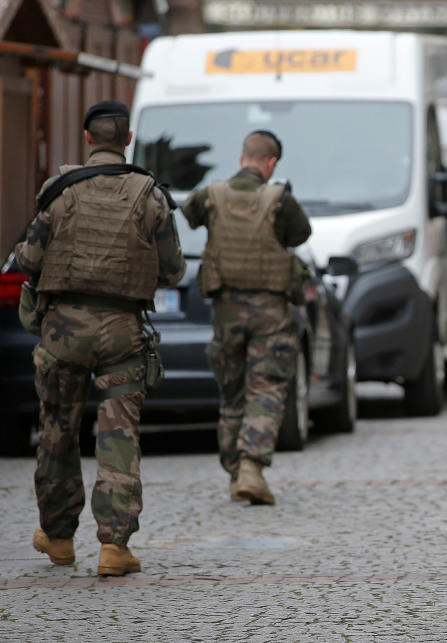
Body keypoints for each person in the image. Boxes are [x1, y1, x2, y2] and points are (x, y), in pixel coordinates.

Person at [16, 100, 185, 576]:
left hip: (62, 329)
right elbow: (173, 270)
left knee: (57, 431)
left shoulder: (59, 190)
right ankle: (114, 547)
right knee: (118, 435)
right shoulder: (150, 194)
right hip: (122, 332)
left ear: (88, 139)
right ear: (127, 139)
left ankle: (58, 536)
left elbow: (28, 259)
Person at [182, 130, 311, 505]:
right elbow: (300, 234)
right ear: (270, 164)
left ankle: (234, 470)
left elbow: (188, 215)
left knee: (232, 389)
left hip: (225, 311)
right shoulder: (279, 199)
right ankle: (251, 468)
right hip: (270, 312)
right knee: (265, 387)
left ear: (242, 158)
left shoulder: (211, 195)